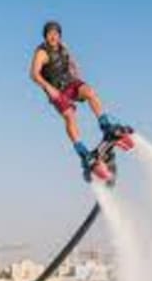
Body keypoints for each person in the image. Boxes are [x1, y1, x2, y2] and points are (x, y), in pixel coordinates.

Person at [30, 20, 124, 173]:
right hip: (56, 90)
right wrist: (49, 88)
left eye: (56, 34)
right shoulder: (41, 52)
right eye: (49, 34)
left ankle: (105, 125)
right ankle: (82, 152)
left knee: (90, 92)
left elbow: (72, 60)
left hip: (70, 82)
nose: (53, 37)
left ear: (59, 35)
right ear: (45, 37)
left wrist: (76, 71)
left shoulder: (63, 46)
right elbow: (33, 74)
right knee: (70, 116)